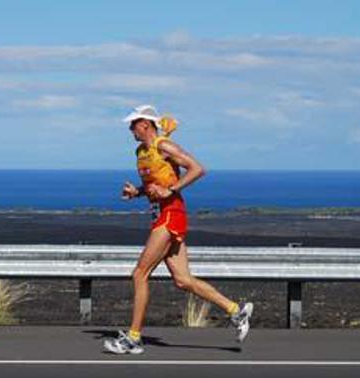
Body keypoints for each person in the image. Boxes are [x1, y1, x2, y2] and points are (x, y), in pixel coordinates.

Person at [103, 105, 253, 355]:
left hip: (171, 214)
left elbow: (197, 169)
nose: (130, 129)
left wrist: (171, 191)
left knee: (139, 274)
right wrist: (137, 192)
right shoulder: (141, 151)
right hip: (162, 215)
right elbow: (156, 185)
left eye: (133, 124)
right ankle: (236, 311)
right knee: (183, 280)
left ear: (145, 124)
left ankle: (133, 338)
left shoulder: (164, 146)